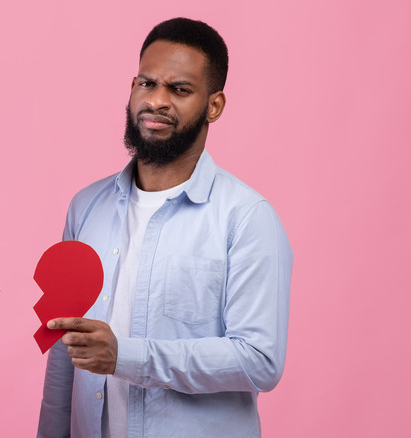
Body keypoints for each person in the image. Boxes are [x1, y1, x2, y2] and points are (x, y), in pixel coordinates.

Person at [37, 18, 293, 437]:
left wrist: (127, 357)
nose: (156, 101)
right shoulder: (86, 208)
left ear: (214, 105)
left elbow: (260, 361)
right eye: (146, 83)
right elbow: (64, 350)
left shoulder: (246, 217)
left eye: (180, 89)